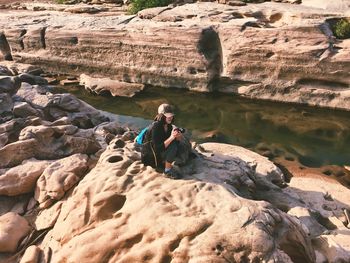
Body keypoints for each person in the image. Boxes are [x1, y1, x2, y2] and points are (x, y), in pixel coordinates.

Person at [141, 103, 184, 179]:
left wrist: (178, 137)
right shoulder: (156, 127)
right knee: (173, 144)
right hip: (151, 157)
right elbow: (158, 148)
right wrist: (171, 137)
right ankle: (167, 171)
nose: (170, 117)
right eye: (167, 115)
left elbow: (168, 143)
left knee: (177, 143)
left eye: (171, 115)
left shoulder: (169, 126)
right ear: (161, 115)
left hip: (158, 153)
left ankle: (167, 164)